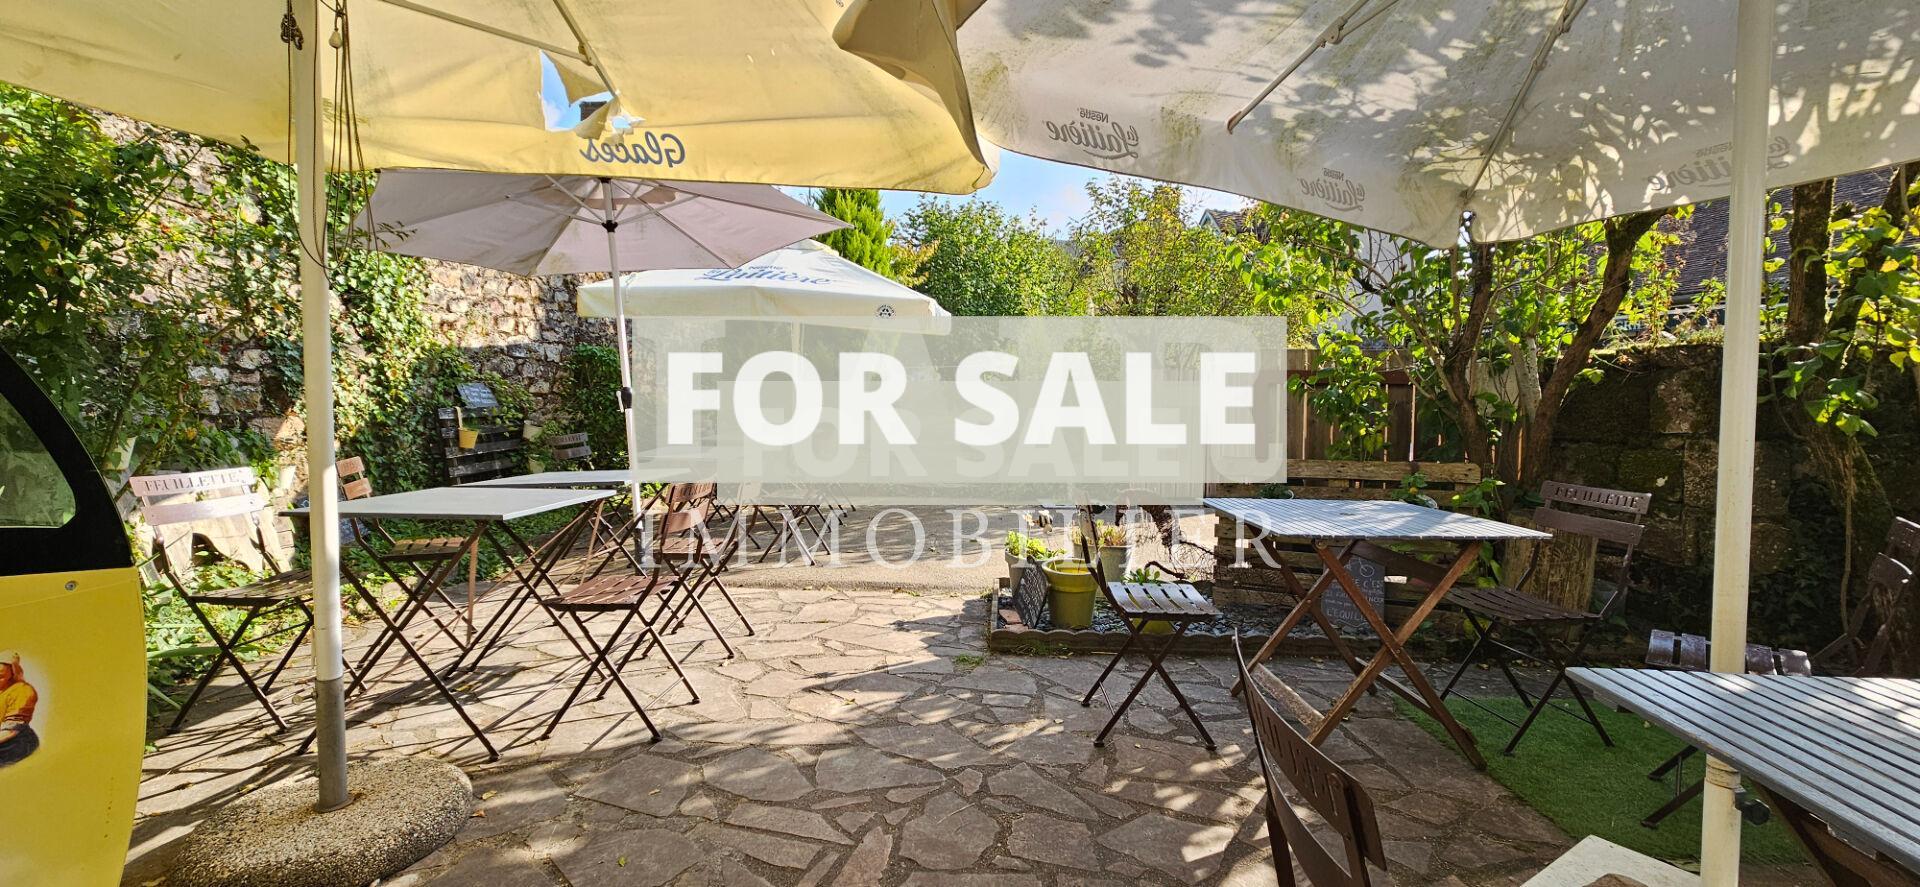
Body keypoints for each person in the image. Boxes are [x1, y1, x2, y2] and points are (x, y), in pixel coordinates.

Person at [0, 651, 39, 767]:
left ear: (13, 673)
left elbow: (11, 730)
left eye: (0, 676)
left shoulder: (21, 691)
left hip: (14, 742)